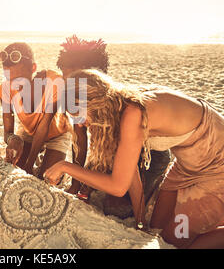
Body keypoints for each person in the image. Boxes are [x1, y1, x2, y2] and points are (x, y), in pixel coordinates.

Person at [44, 69, 224, 248]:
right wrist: (139, 221)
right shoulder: (118, 107)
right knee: (157, 227)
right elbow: (130, 176)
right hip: (188, 165)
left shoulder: (132, 114)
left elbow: (118, 187)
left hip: (221, 163)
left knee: (177, 241)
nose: (79, 124)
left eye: (78, 116)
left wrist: (65, 166)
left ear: (93, 102)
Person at [56, 35, 170, 220]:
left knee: (116, 208)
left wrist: (140, 221)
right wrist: (78, 186)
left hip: (150, 155)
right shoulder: (76, 97)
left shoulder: (113, 104)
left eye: (72, 77)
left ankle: (160, 187)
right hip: (114, 153)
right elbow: (83, 143)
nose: (66, 82)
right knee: (95, 190)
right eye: (64, 76)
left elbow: (129, 171)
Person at [0, 42, 71, 178]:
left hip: (58, 132)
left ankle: (41, 157)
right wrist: (13, 139)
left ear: (33, 68)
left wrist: (29, 164)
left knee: (47, 178)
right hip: (29, 132)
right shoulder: (5, 89)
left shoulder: (54, 82)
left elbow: (45, 125)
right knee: (14, 168)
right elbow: (7, 132)